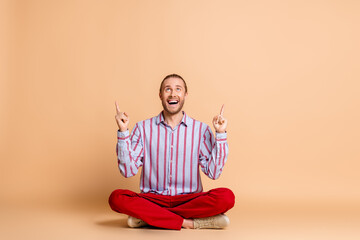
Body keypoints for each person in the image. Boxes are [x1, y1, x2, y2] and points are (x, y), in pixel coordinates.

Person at [109, 74, 235, 230]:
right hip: (153, 199)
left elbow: (214, 173)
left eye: (178, 89)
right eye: (167, 89)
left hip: (189, 200)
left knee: (226, 197)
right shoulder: (142, 128)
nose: (173, 94)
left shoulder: (201, 130)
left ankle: (151, 218)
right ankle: (188, 223)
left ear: (185, 95)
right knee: (116, 198)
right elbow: (128, 171)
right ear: (160, 95)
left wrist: (221, 134)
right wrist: (123, 132)